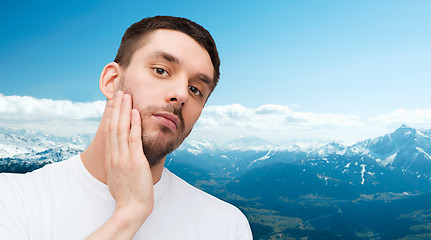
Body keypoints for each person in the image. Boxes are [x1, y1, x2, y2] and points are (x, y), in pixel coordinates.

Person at [0, 16, 252, 239]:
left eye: (195, 89)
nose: (180, 94)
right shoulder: (13, 199)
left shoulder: (226, 226)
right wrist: (130, 213)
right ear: (111, 81)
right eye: (161, 71)